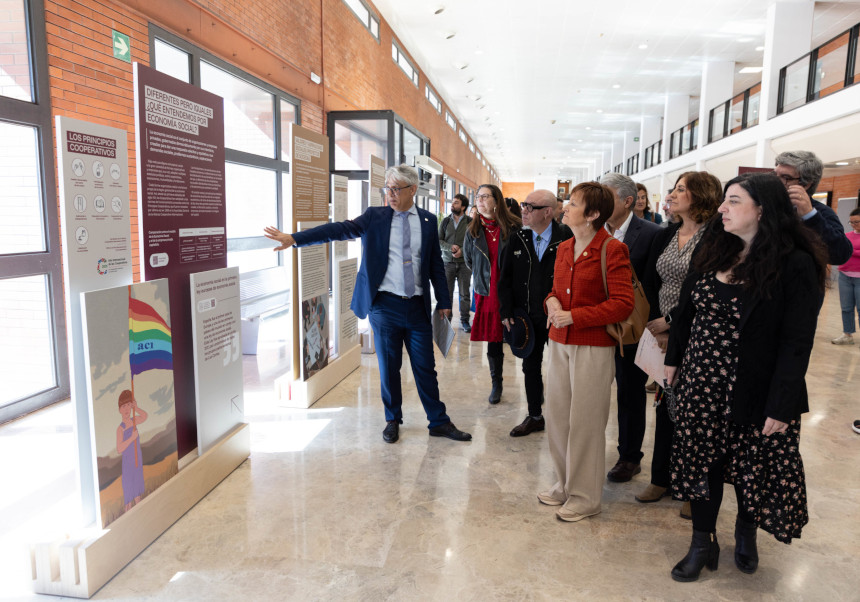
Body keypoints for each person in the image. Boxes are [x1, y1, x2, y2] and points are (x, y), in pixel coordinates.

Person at [664, 173, 827, 582]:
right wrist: (674, 359)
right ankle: (703, 542)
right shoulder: (714, 249)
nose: (722, 209)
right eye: (724, 201)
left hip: (755, 386)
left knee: (752, 467)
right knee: (702, 464)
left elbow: (797, 341)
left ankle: (746, 530)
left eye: (733, 201)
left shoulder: (795, 263)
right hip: (702, 383)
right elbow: (687, 311)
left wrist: (783, 402)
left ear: (762, 210)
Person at [264, 164, 471, 444]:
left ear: (412, 190)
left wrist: (445, 301)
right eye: (388, 188)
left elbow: (434, 263)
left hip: (418, 306)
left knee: (425, 367)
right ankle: (392, 419)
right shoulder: (375, 217)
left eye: (396, 189)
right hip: (384, 306)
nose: (391, 194)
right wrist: (295, 239)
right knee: (389, 367)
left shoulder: (427, 220)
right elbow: (339, 229)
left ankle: (438, 421)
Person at [538, 182, 634, 522]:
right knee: (559, 417)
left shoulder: (612, 249)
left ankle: (585, 495)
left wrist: (575, 316)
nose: (565, 207)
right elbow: (554, 289)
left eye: (573, 203)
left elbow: (623, 304)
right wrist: (551, 301)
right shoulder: (564, 247)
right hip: (559, 342)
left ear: (593, 214)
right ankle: (564, 483)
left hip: (593, 347)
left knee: (586, 423)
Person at [636, 171, 722, 517]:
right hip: (662, 334)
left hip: (698, 334)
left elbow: (709, 290)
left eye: (680, 189)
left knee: (694, 415)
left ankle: (693, 487)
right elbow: (652, 281)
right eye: (673, 189)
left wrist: (672, 323)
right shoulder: (668, 233)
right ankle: (661, 477)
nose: (671, 195)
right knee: (665, 407)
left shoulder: (716, 238)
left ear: (700, 195)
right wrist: (657, 323)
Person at [601, 173, 662, 482]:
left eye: (606, 196)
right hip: (595, 323)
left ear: (627, 201)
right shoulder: (593, 231)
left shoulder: (652, 233)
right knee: (593, 389)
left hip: (631, 328)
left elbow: (655, 283)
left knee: (629, 392)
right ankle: (590, 448)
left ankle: (629, 456)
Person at [498, 189, 572, 436]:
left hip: (559, 318)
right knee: (530, 367)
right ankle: (535, 415)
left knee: (563, 370)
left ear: (548, 212)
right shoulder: (517, 237)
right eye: (523, 205)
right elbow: (504, 276)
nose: (524, 211)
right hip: (527, 316)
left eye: (530, 207)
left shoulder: (567, 238)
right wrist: (506, 309)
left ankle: (566, 418)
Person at [464, 184, 521, 404]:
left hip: (511, 290)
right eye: (477, 197)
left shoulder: (514, 227)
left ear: (497, 200)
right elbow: (470, 261)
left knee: (519, 335)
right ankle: (496, 383)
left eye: (485, 196)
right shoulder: (473, 230)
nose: (479, 200)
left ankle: (533, 380)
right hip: (487, 292)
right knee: (494, 339)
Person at [774, 150, 852, 266]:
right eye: (774, 175)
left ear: (806, 184)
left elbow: (840, 255)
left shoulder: (820, 212)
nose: (776, 181)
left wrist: (809, 216)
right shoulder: (764, 205)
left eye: (786, 177)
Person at [439, 193, 473, 332]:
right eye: (452, 202)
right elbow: (439, 240)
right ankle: (447, 321)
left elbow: (474, 243)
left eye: (456, 203)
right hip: (448, 263)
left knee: (465, 294)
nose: (452, 205)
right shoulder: (445, 222)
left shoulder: (471, 222)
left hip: (465, 263)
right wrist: (450, 247)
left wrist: (462, 252)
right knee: (447, 293)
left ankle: (465, 321)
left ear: (463, 206)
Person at [832, 207, 860, 345]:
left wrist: (851, 250)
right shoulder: (847, 235)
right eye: (851, 222)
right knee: (846, 307)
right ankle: (847, 334)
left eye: (857, 222)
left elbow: (847, 249)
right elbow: (842, 249)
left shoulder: (847, 239)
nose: (854, 224)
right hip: (844, 276)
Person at [116, 389, 147, 512]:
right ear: (119, 409)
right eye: (123, 406)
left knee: (137, 493)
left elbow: (145, 416)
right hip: (128, 464)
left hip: (137, 461)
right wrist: (131, 438)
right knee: (129, 497)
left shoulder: (134, 421)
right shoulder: (121, 429)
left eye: (129, 405)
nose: (126, 409)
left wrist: (137, 408)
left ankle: (141, 516)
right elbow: (119, 449)